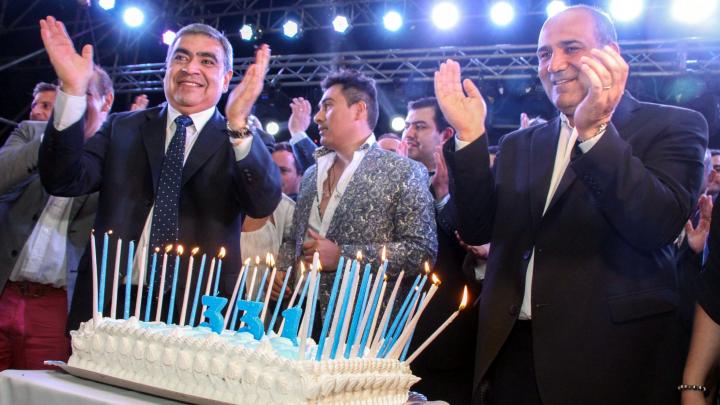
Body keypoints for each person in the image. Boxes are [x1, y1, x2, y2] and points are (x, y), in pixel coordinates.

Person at [436, 5, 707, 404]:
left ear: (611, 54)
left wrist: (594, 131)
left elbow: (656, 225)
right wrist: (470, 135)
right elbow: (476, 228)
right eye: (544, 54)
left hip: (609, 361)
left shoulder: (673, 125)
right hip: (509, 356)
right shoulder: (520, 144)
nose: (555, 64)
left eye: (571, 48)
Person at [37, 17, 281, 330]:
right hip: (111, 303)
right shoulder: (123, 127)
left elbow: (262, 203)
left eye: (207, 61)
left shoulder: (238, 139)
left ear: (226, 79)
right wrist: (72, 92)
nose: (191, 68)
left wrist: (237, 122)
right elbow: (62, 179)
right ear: (166, 68)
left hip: (203, 311)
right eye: (181, 57)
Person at [278, 70, 437, 317]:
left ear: (359, 110)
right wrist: (283, 268)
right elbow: (293, 237)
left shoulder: (404, 171)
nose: (318, 117)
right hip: (296, 310)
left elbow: (421, 252)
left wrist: (343, 257)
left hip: (358, 322)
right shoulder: (311, 173)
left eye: (328, 106)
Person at [0, 66, 114, 370]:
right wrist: (55, 137)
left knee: (38, 390)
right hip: (5, 289)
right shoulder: (30, 132)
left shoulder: (115, 155)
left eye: (82, 94)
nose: (72, 102)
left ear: (106, 101)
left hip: (58, 306)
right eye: (66, 93)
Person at [401, 96, 477, 404]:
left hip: (446, 335)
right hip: (396, 332)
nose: (409, 134)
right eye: (407, 126)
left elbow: (472, 247)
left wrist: (443, 195)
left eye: (420, 126)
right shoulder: (399, 181)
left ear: (445, 135)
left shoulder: (468, 181)